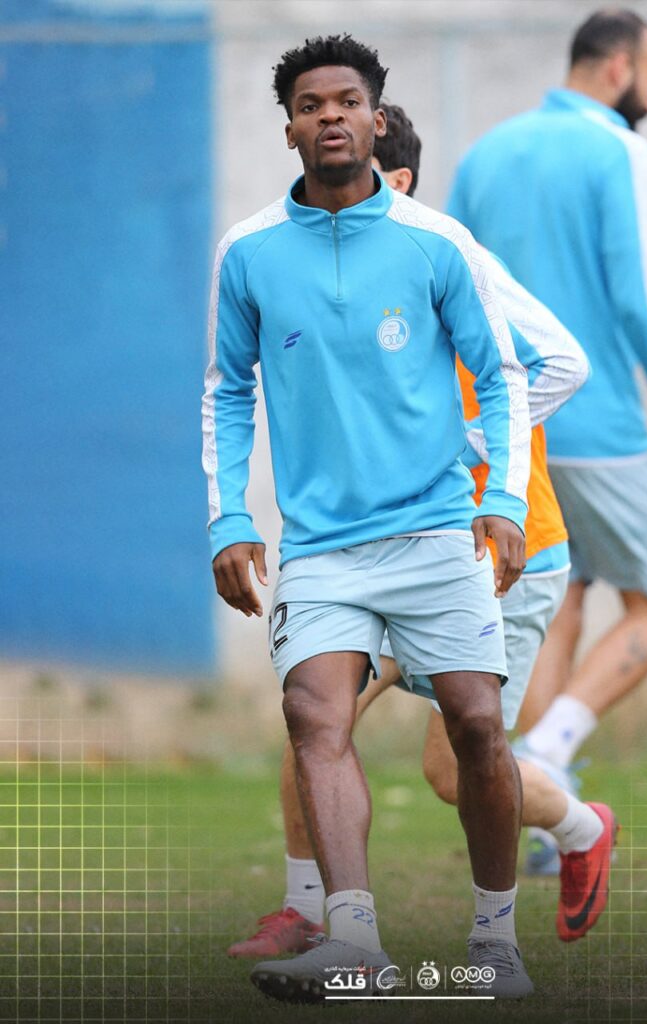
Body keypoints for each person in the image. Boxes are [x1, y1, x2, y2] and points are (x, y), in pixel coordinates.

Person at [226, 103, 618, 968]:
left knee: (453, 768)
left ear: (395, 180)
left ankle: (581, 830)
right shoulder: (314, 265)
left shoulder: (449, 254)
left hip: (496, 553)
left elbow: (563, 361)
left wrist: (463, 448)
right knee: (316, 715)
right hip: (383, 543)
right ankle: (313, 916)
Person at [203, 35, 539, 1001]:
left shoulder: (438, 243)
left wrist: (502, 500)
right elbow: (226, 389)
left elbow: (504, 376)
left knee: (476, 727)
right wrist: (229, 517)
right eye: (311, 105)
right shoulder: (248, 251)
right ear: (289, 129)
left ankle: (494, 946)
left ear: (376, 119)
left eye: (347, 102)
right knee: (314, 716)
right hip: (319, 547)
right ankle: (354, 943)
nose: (331, 117)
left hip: (436, 531)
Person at [447, 8, 647, 869]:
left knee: (557, 602)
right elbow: (642, 299)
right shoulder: (619, 149)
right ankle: (550, 748)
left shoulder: (484, 151)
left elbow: (447, 286)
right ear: (617, 68)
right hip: (596, 421)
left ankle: (543, 818)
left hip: (512, 430)